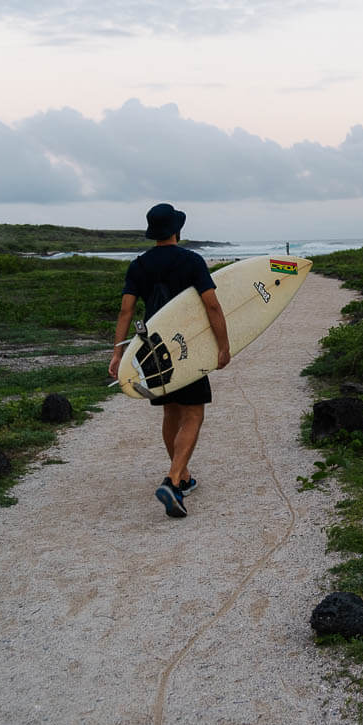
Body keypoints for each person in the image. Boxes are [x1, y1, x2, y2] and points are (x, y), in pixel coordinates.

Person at [108, 203, 231, 518]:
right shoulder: (191, 261)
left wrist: (118, 353)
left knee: (171, 414)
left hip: (154, 352)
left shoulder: (138, 266)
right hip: (185, 347)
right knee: (193, 414)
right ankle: (173, 480)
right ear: (177, 229)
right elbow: (212, 307)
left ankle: (184, 477)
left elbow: (126, 311)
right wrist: (223, 345)